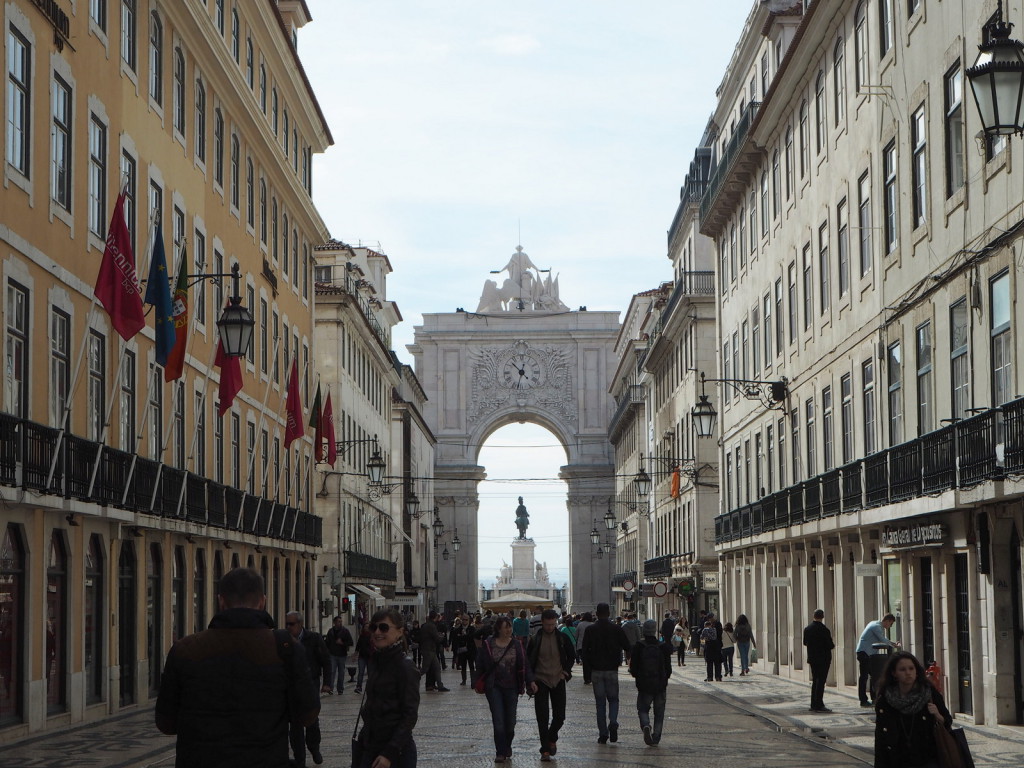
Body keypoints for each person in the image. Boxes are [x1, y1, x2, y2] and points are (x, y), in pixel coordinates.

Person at [155, 567, 320, 768]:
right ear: (262, 602)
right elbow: (308, 714)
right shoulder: (284, 647)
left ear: (221, 601)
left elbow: (166, 723)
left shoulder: (185, 649)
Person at [354, 608, 420, 768]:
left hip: (395, 752)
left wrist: (390, 752)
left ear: (399, 632)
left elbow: (410, 714)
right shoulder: (376, 661)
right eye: (373, 627)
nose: (377, 632)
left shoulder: (405, 667)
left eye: (383, 627)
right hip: (370, 745)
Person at [874, 650, 953, 768]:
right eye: (902, 669)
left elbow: (947, 721)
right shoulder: (885, 699)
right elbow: (881, 738)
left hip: (927, 758)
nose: (908, 673)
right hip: (897, 759)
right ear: (894, 673)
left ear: (916, 671)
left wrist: (937, 715)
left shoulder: (929, 693)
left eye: (911, 668)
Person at [475, 616, 533, 763]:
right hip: (494, 686)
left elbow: (525, 664)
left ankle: (507, 745)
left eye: (510, 627)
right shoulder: (488, 644)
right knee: (498, 719)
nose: (508, 630)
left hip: (512, 686)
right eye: (505, 627)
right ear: (498, 629)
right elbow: (480, 663)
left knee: (511, 721)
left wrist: (530, 681)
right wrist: (476, 682)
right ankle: (500, 751)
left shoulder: (517, 644)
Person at [526, 609, 576, 761]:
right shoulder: (535, 639)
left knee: (560, 716)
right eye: (547, 624)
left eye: (553, 624)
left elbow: (571, 655)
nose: (550, 627)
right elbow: (528, 661)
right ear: (542, 623)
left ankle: (551, 737)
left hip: (558, 679)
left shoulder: (562, 638)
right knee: (542, 717)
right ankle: (545, 750)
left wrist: (565, 672)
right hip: (540, 680)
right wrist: (530, 680)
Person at [581, 602, 632, 745]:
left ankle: (603, 734)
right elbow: (627, 646)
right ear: (609, 614)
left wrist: (587, 672)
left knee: (600, 704)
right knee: (614, 700)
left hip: (596, 670)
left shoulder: (590, 630)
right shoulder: (616, 629)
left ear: (596, 614)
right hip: (612, 670)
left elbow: (584, 652)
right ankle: (613, 721)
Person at [285, 612, 332, 767]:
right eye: (287, 624)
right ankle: (300, 760)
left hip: (310, 684)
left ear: (300, 624)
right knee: (295, 725)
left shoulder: (314, 638)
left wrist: (327, 683)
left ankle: (314, 747)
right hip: (291, 687)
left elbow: (326, 661)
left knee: (312, 720)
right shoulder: (284, 641)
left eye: (291, 624)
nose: (288, 627)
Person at [628, 619, 673, 746]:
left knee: (643, 709)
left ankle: (646, 724)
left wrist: (637, 676)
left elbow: (634, 667)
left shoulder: (639, 646)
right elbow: (668, 668)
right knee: (659, 713)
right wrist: (665, 678)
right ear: (654, 631)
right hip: (660, 684)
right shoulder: (662, 646)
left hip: (644, 684)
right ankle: (656, 737)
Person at [857, 613, 899, 706]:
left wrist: (892, 643)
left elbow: (883, 638)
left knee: (874, 675)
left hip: (867, 653)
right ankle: (863, 700)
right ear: (887, 621)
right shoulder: (876, 626)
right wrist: (893, 645)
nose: (890, 626)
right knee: (864, 677)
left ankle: (874, 698)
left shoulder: (876, 625)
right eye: (891, 623)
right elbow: (882, 639)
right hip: (864, 653)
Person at [803, 609, 836, 713]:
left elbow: (805, 642)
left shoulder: (807, 629)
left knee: (815, 681)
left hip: (813, 658)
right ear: (822, 617)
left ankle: (813, 704)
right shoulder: (824, 630)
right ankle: (819, 704)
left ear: (813, 616)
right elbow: (830, 645)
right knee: (821, 681)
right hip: (823, 659)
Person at [418, 611, 449, 692]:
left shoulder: (426, 625)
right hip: (429, 650)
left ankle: (440, 686)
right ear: (435, 617)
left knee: (437, 668)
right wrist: (442, 636)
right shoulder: (432, 626)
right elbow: (436, 638)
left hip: (428, 649)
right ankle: (411, 678)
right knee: (425, 669)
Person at [325, 616, 353, 694]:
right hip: (332, 654)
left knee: (341, 672)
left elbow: (351, 642)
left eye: (341, 621)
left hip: (342, 655)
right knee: (332, 671)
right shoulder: (330, 631)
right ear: (334, 622)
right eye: (338, 621)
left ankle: (340, 689)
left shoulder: (345, 631)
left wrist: (342, 643)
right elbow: (327, 643)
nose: (340, 623)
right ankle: (330, 688)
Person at [701, 614, 723, 682]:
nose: (710, 620)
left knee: (714, 662)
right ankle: (713, 677)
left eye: (710, 618)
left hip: (713, 645)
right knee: (713, 662)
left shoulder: (716, 625)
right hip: (713, 645)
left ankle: (716, 676)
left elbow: (702, 637)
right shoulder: (715, 626)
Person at [354, 623, 373, 694]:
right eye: (365, 627)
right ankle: (359, 687)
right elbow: (358, 646)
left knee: (370, 673)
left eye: (368, 627)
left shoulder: (372, 636)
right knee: (361, 672)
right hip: (362, 656)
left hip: (370, 657)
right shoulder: (362, 636)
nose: (366, 628)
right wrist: (355, 655)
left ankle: (370, 687)